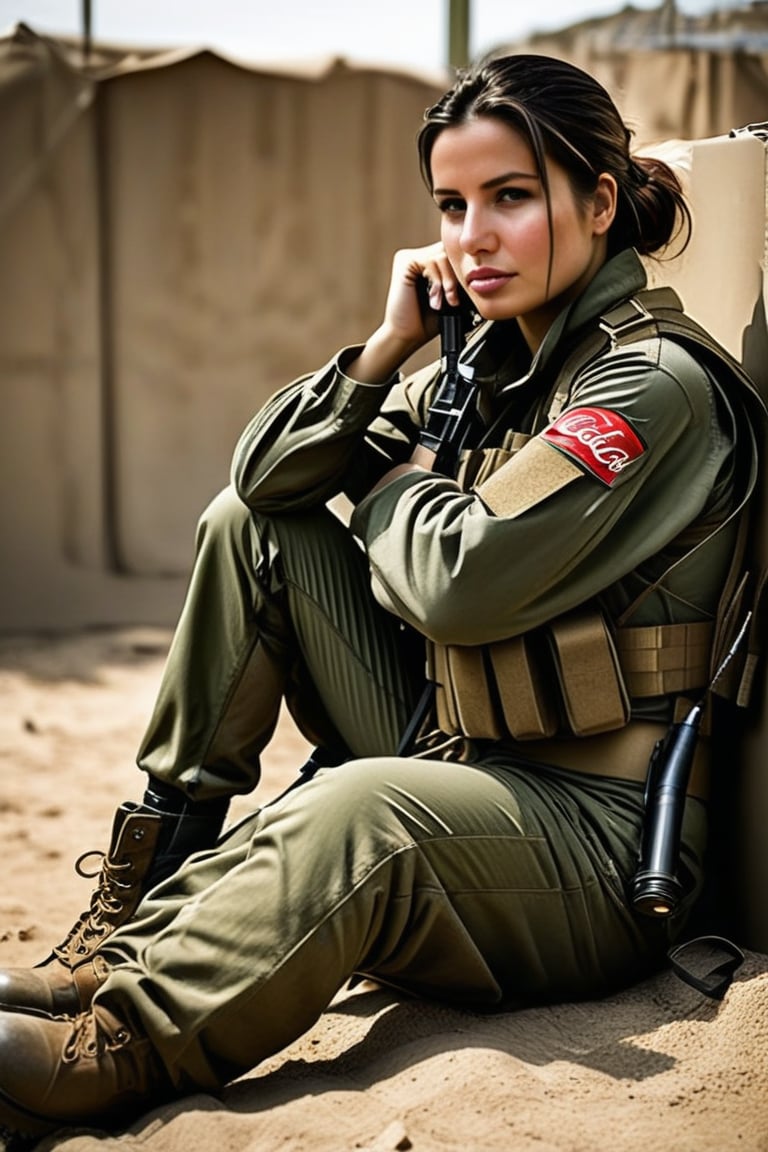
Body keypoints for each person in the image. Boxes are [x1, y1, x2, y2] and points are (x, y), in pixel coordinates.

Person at [0, 52, 759, 1141]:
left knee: (364, 813)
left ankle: (120, 1037)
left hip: (594, 844)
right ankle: (125, 924)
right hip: (461, 750)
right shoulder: (486, 363)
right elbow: (266, 484)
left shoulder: (650, 386)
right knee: (250, 532)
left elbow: (460, 584)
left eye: (510, 197)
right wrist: (387, 346)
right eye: (451, 206)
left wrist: (395, 481)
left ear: (599, 204)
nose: (473, 237)